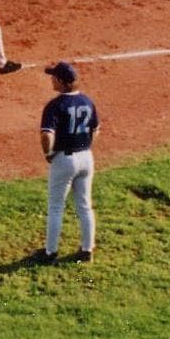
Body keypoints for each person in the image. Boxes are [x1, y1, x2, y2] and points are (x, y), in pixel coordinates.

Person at [38, 61, 100, 264]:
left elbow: (47, 135)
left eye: (54, 77)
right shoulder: (87, 101)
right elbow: (95, 130)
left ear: (61, 82)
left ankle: (50, 252)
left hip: (64, 160)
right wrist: (85, 146)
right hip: (86, 157)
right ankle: (86, 249)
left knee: (56, 207)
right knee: (84, 205)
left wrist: (48, 153)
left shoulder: (55, 105)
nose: (51, 80)